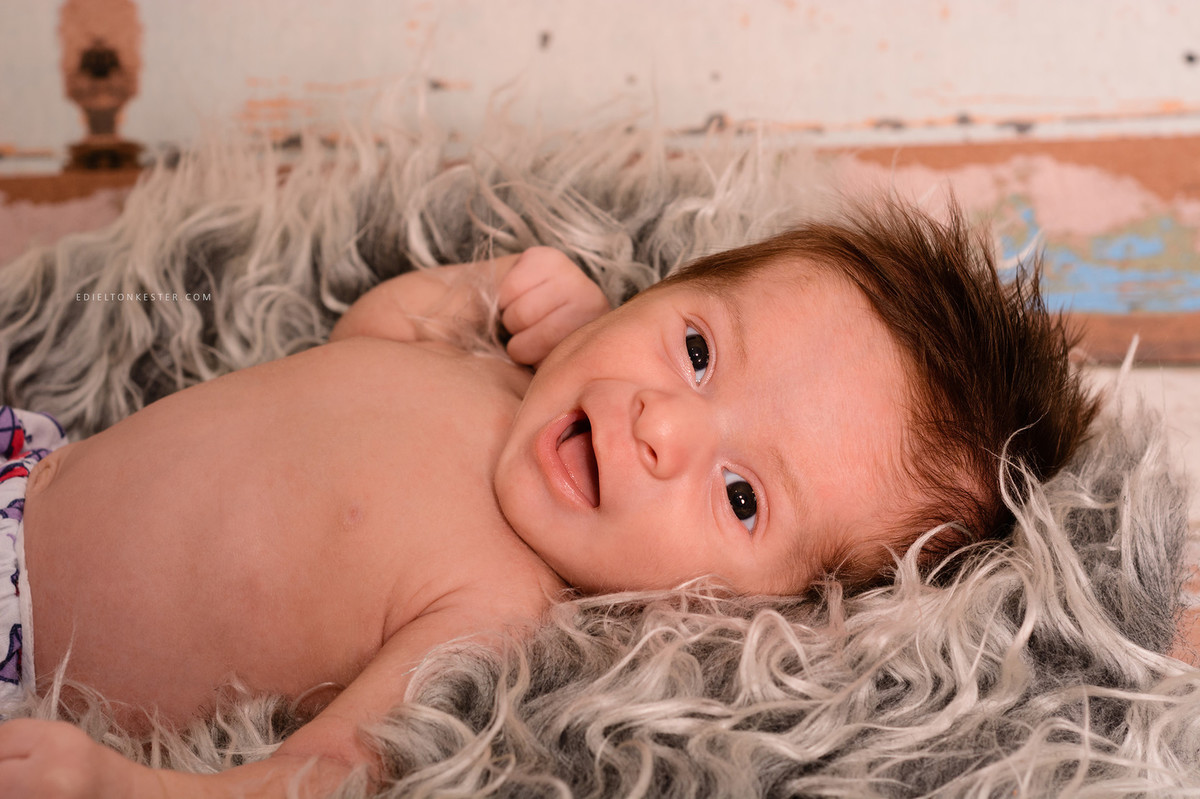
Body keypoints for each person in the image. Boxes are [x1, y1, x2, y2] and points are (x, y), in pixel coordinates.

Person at [0, 199, 1098, 797]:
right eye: (699, 347)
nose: (662, 422)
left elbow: (317, 771)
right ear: (657, 290)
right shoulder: (505, 373)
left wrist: (115, 787)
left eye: (743, 496)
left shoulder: (492, 607)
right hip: (30, 460)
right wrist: (487, 297)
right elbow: (353, 352)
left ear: (735, 613)